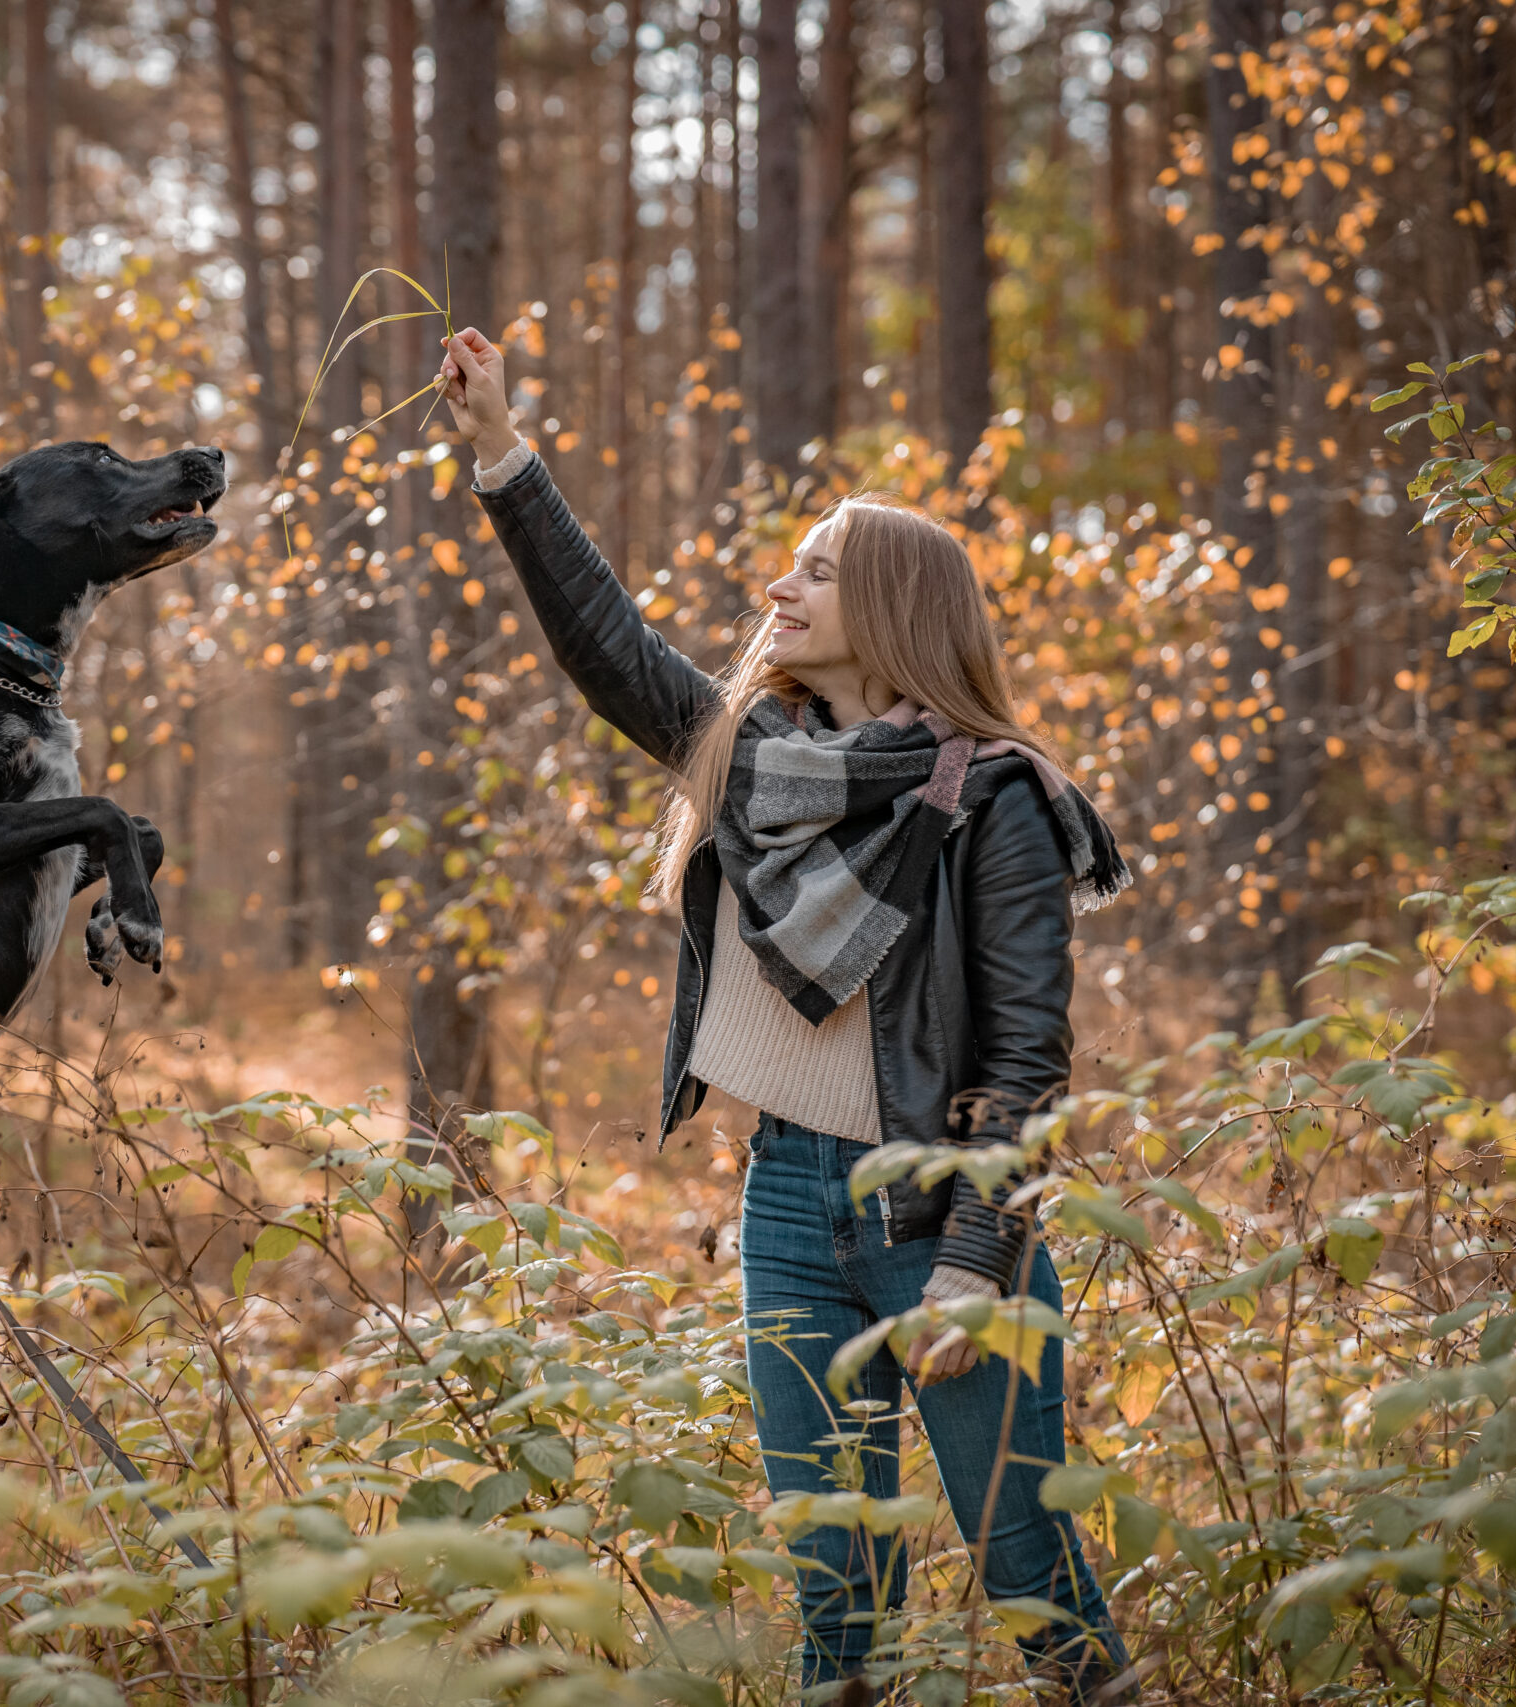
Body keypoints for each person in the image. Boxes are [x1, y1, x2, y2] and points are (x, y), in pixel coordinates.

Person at [435, 326, 1134, 1701]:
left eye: (816, 567)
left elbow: (1026, 1054)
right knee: (834, 1584)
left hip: (938, 1222)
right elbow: (606, 646)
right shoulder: (755, 759)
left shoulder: (999, 798)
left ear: (891, 603)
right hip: (785, 1206)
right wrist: (500, 447)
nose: (778, 586)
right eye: (790, 565)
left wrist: (972, 1260)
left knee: (1025, 1570)